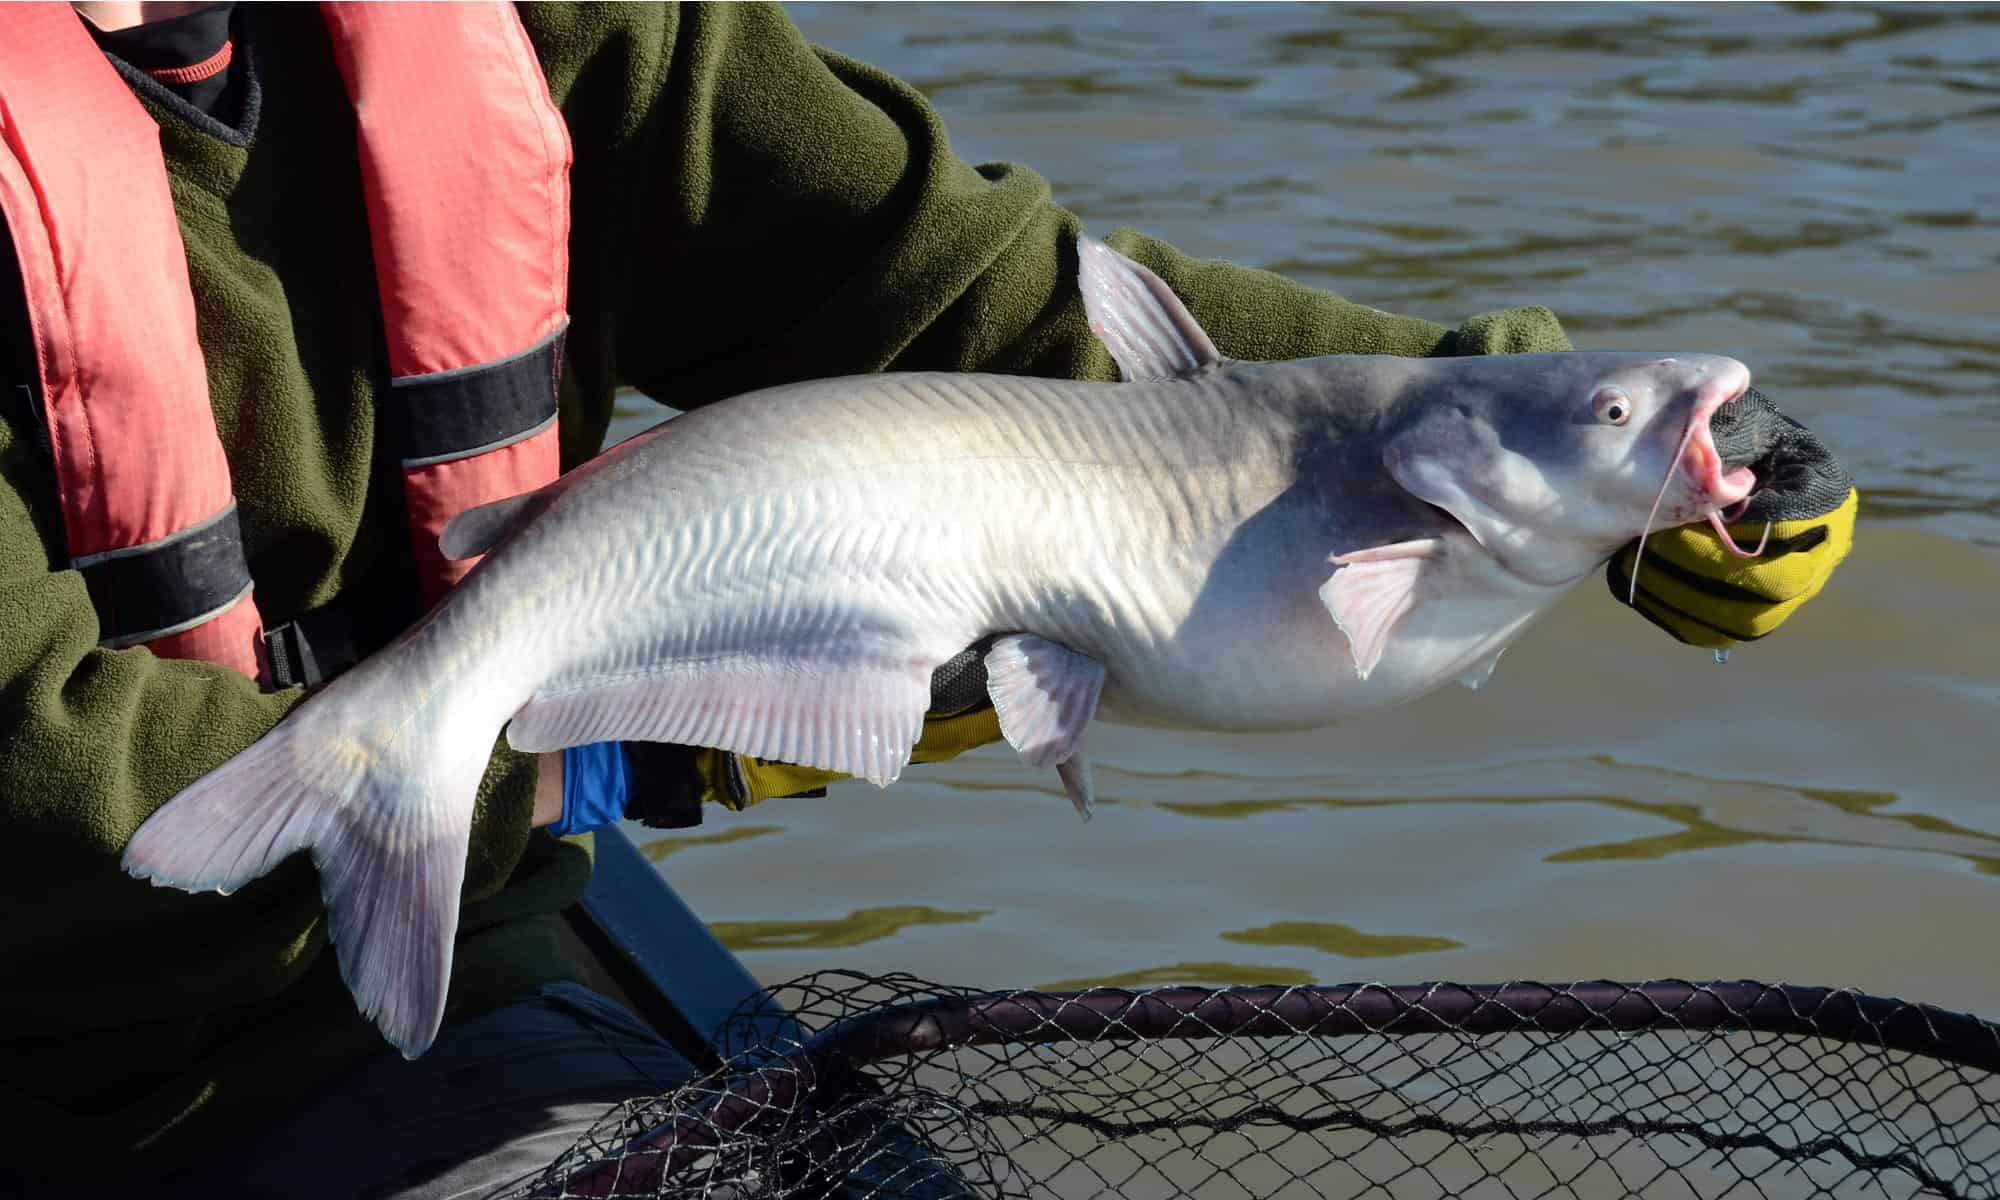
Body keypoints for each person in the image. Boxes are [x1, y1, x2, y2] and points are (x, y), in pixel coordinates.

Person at [0, 3, 1855, 1196]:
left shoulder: (541, 22)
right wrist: (658, 746)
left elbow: (988, 310)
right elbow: (50, 799)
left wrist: (1520, 407)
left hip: (436, 954)